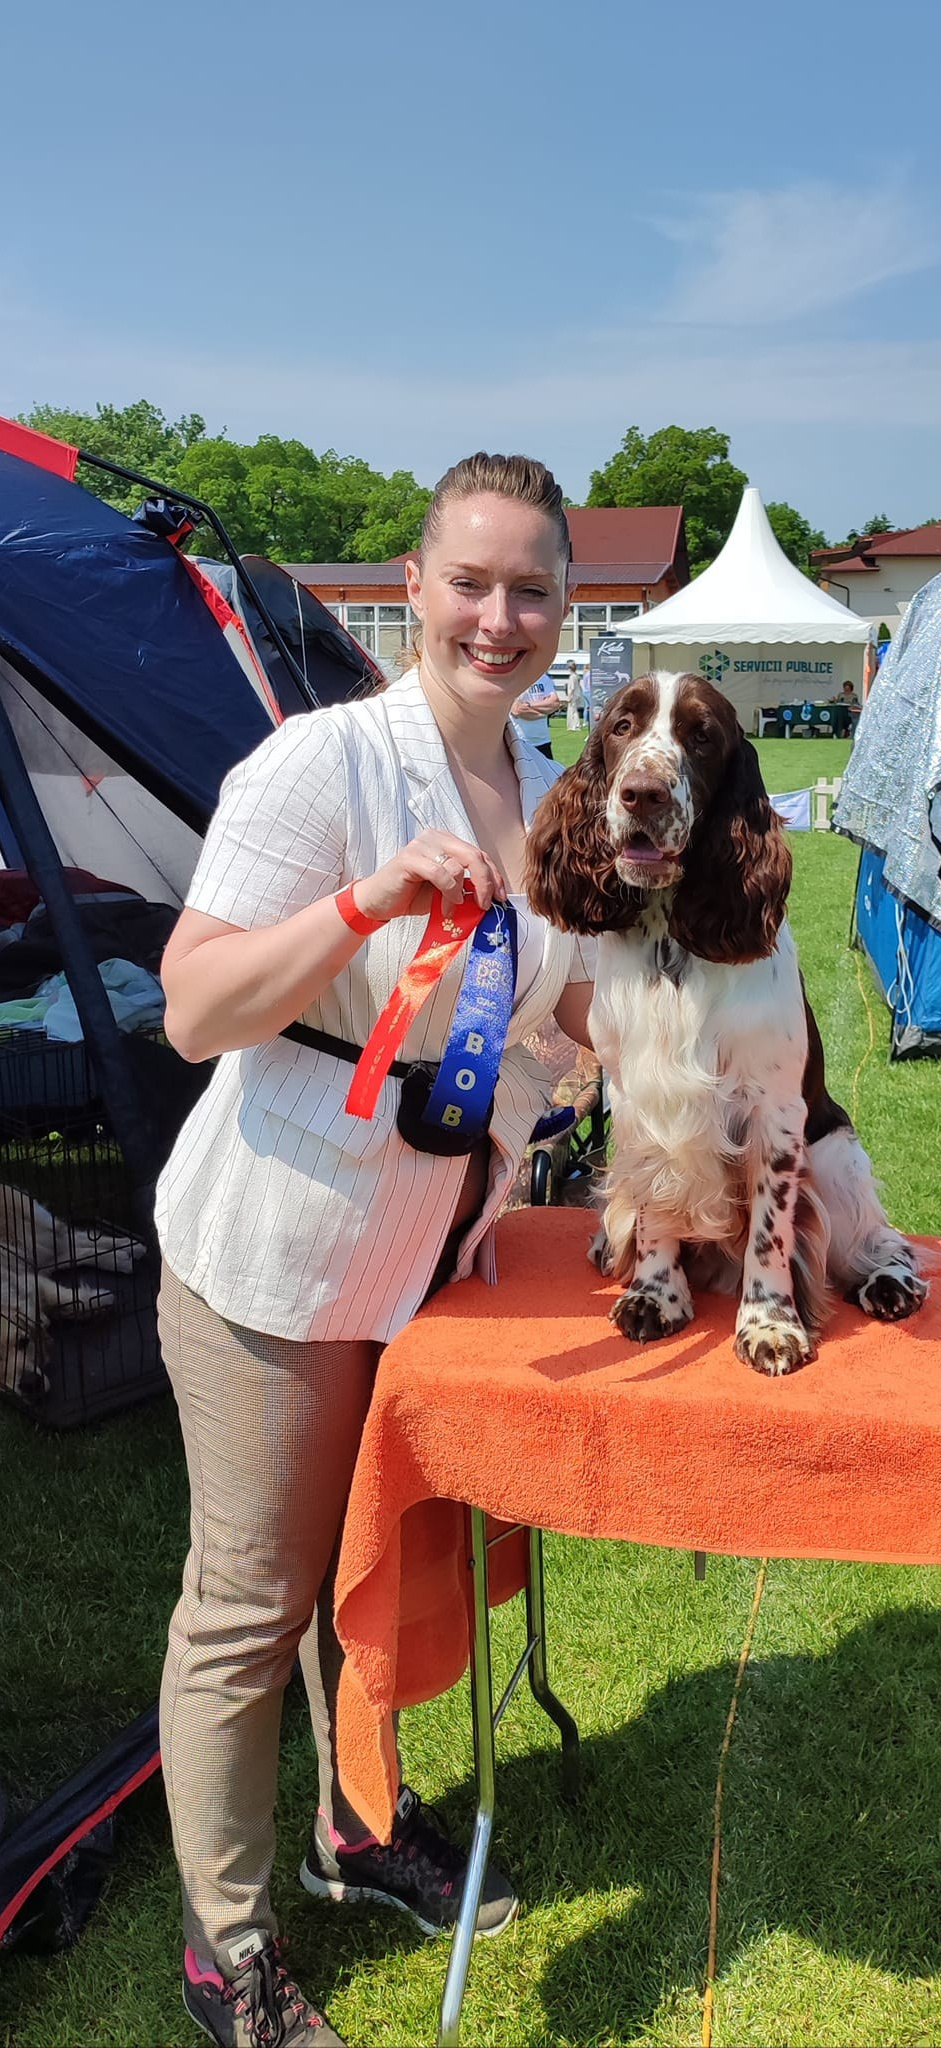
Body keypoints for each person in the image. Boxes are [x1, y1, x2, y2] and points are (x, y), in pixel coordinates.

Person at [154, 452, 593, 2047]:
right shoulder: (319, 763)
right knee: (252, 1602)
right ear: (410, 587)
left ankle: (354, 1824)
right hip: (278, 1254)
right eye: (469, 582)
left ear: (566, 609)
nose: (498, 617)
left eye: (531, 589)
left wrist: (711, 1039)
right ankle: (225, 1950)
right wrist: (360, 907)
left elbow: (570, 1007)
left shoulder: (551, 788)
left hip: (434, 1259)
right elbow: (195, 1008)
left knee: (380, 1567)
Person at [509, 668, 559, 757]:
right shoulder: (514, 680)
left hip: (543, 741)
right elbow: (517, 710)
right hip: (521, 740)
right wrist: (543, 713)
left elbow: (554, 703)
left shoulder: (544, 678)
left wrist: (528, 705)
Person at [564, 657, 586, 732]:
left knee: (573, 711)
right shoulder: (576, 676)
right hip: (577, 694)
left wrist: (569, 696)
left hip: (573, 695)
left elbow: (572, 688)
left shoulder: (572, 677)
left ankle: (576, 725)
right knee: (573, 710)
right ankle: (573, 725)